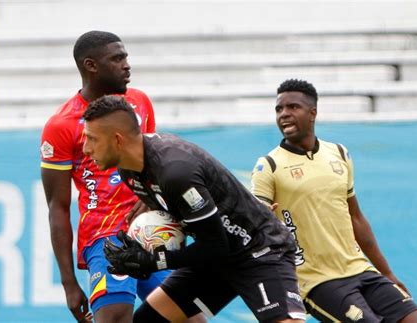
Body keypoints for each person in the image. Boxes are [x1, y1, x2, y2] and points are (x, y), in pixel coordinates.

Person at [81, 94, 307, 323]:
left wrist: (154, 261)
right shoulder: (129, 169)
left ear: (118, 140)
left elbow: (216, 245)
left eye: (92, 139)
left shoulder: (175, 172)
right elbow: (189, 229)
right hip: (216, 258)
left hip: (258, 251)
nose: (85, 148)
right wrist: (142, 253)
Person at [40, 31, 204, 323]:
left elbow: (155, 163)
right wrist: (69, 284)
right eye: (117, 59)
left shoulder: (139, 102)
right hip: (106, 237)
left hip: (151, 231)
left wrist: (153, 198)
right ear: (91, 66)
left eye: (125, 57)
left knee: (190, 319)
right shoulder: (61, 126)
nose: (127, 65)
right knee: (115, 317)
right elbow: (58, 207)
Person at [250, 79, 417, 322]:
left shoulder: (339, 153)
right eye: (279, 109)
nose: (284, 114)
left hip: (360, 269)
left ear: (313, 112)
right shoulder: (268, 165)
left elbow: (356, 217)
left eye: (293, 107)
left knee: (415, 319)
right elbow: (255, 226)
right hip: (317, 282)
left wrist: (387, 273)